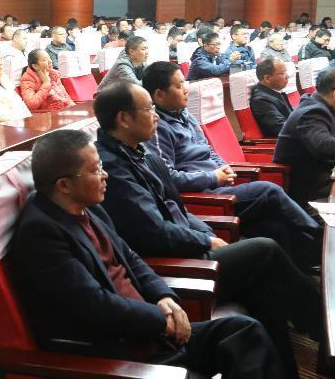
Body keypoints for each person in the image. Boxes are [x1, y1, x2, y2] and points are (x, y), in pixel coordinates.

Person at [93, 82, 323, 378]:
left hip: (189, 245)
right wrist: (204, 241)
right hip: (174, 263)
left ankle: (289, 367)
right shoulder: (112, 168)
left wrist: (207, 235)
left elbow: (178, 207)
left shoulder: (142, 152)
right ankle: (322, 326)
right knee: (264, 249)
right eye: (149, 109)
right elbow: (155, 233)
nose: (156, 115)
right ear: (124, 118)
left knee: (267, 259)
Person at [13, 129, 284, 377]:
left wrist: (163, 296)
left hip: (151, 332)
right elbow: (94, 305)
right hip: (121, 354)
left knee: (244, 332)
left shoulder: (87, 205)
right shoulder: (41, 233)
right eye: (96, 170)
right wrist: (160, 320)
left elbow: (130, 257)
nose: (106, 175)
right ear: (63, 185)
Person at [143, 61, 321, 271]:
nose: (186, 89)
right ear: (159, 95)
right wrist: (213, 177)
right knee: (269, 190)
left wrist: (224, 167)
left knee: (274, 226)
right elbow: (168, 178)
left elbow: (208, 150)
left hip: (218, 185)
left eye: (185, 83)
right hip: (203, 196)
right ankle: (320, 236)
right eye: (179, 85)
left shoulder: (185, 115)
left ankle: (301, 267)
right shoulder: (157, 128)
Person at [274, 66, 335, 207]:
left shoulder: (323, 106)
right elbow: (325, 146)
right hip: (310, 195)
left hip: (324, 180)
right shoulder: (312, 112)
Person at [251, 57, 294, 137]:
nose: (287, 76)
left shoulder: (274, 92)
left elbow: (292, 116)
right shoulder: (261, 101)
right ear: (267, 78)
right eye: (282, 73)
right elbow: (282, 128)